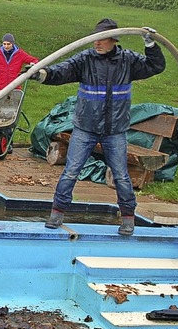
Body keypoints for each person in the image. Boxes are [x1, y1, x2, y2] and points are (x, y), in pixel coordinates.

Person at [28, 18, 166, 236]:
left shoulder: (127, 61)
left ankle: (128, 218)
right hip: (86, 128)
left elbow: (155, 66)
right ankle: (57, 213)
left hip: (115, 131)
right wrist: (40, 74)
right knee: (71, 171)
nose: (97, 43)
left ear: (113, 40)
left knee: (120, 174)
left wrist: (151, 45)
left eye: (102, 39)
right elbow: (61, 71)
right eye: (95, 39)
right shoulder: (85, 60)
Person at [0, 33, 39, 152]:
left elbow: (34, 60)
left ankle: (9, 141)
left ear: (12, 44)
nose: (6, 46)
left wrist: (31, 66)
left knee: (11, 115)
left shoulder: (19, 54)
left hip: (14, 88)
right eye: (4, 44)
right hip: (0, 87)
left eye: (8, 44)